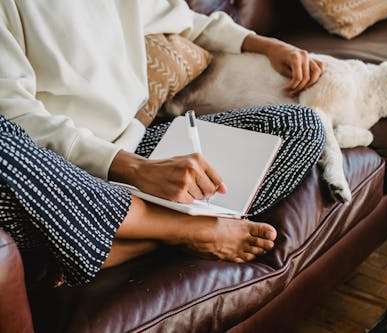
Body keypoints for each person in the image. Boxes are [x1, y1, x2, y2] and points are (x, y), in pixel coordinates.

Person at [0, 0, 326, 286]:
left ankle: (122, 240)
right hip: (58, 175)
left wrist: (262, 44)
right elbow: (16, 116)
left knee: (302, 126)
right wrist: (136, 170)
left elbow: (181, 19)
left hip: (137, 150)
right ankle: (186, 230)